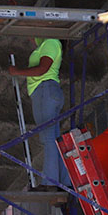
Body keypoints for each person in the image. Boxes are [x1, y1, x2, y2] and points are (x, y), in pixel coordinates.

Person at [9, 37, 65, 190]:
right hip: (45, 91)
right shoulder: (46, 44)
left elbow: (43, 69)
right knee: (53, 139)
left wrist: (18, 71)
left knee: (48, 139)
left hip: (45, 90)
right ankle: (61, 181)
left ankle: (51, 183)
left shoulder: (51, 42)